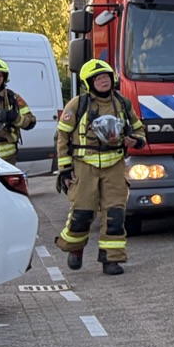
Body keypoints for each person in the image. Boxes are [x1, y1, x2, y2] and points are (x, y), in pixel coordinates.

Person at [54, 58, 146, 276]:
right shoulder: (77, 105)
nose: (103, 81)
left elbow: (139, 130)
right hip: (84, 166)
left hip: (114, 166)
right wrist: (65, 170)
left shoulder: (122, 104)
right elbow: (62, 137)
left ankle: (111, 259)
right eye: (97, 79)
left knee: (115, 215)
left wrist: (135, 140)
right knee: (82, 214)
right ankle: (75, 248)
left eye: (106, 77)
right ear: (89, 83)